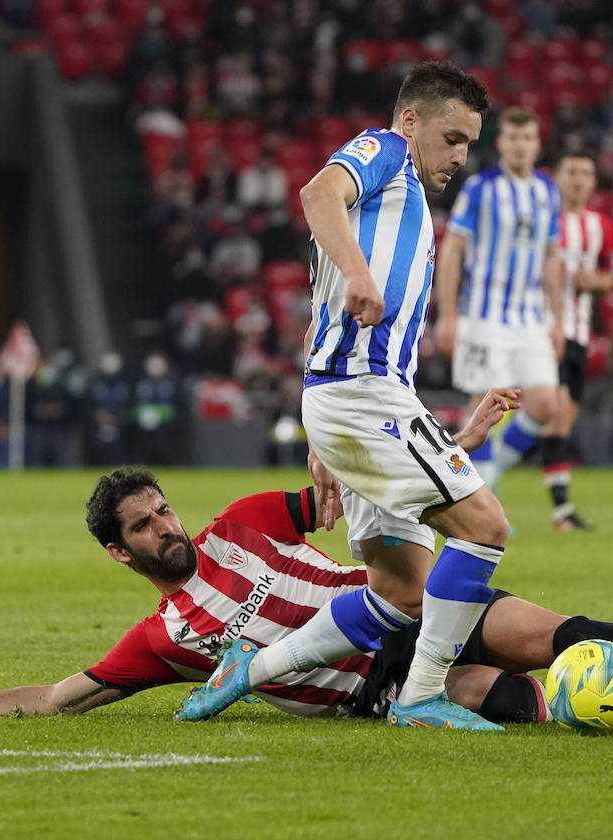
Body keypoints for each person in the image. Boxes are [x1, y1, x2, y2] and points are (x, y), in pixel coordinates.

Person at [0, 468, 613, 721]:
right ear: (120, 552)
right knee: (532, 701)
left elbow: (344, 490)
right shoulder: (169, 634)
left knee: (561, 629)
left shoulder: (240, 519)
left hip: (405, 606)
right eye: (145, 528)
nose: (167, 528)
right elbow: (62, 697)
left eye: (164, 511)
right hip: (373, 687)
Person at [177, 62, 513, 730]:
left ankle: (253, 667)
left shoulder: (403, 197)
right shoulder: (386, 151)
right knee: (485, 529)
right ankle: (419, 697)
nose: (460, 156)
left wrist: (321, 435)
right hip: (363, 396)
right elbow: (316, 191)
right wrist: (361, 276)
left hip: (351, 400)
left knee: (398, 591)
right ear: (412, 119)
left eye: (470, 143)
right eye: (452, 138)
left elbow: (316, 317)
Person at [434, 106, 566, 492]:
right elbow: (453, 249)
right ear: (502, 142)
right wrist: (448, 315)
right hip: (483, 313)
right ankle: (474, 496)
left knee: (545, 404)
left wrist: (557, 319)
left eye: (528, 138)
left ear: (537, 143)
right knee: (482, 405)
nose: (521, 145)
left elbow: (551, 258)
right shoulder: (481, 188)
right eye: (513, 138)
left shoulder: (548, 192)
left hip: (530, 317)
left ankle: (485, 479)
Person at [544, 151, 613, 532]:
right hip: (543, 328)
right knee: (553, 410)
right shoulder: (544, 218)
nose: (578, 179)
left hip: (580, 332)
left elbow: (609, 275)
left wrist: (596, 282)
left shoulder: (600, 225)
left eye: (586, 172)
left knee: (564, 419)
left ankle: (562, 512)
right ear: (558, 176)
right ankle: (490, 475)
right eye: (571, 171)